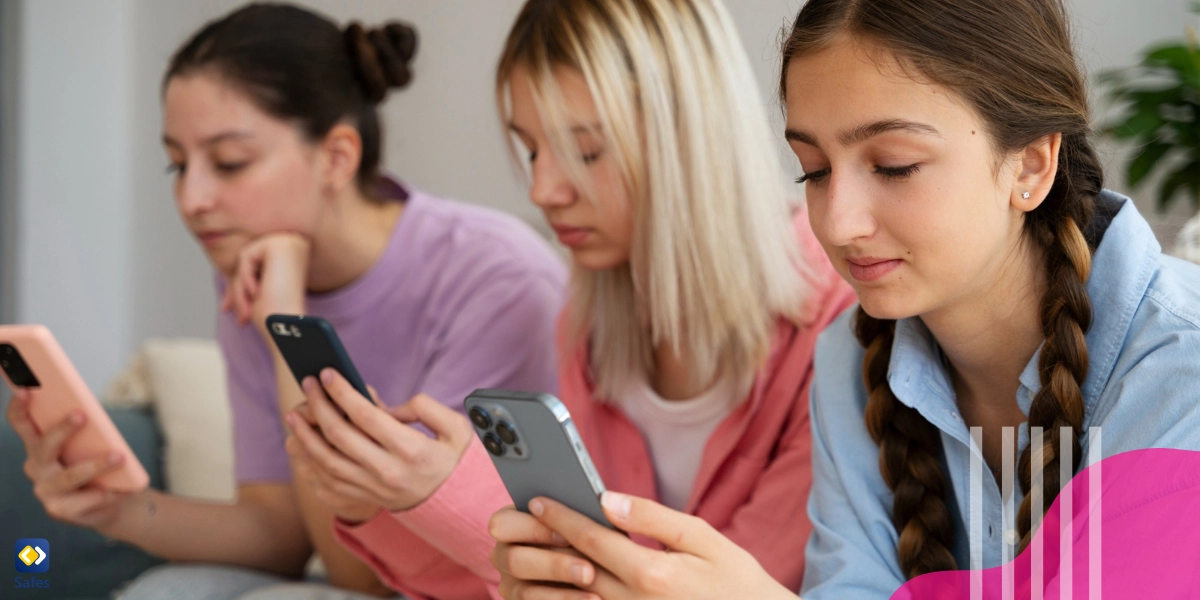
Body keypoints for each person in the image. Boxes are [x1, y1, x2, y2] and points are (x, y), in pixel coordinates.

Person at [486, 0, 1200, 598]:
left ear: (1031, 165)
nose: (836, 223)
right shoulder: (853, 354)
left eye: (893, 166)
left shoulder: (1179, 367)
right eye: (815, 172)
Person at [286, 0, 854, 598]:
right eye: (532, 149)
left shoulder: (837, 327)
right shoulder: (589, 328)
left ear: (691, 137)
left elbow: (705, 587)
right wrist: (391, 498)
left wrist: (450, 491)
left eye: (585, 151)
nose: (542, 190)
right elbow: (513, 587)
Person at [5, 3, 565, 599]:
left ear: (336, 158)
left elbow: (372, 573)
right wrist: (117, 510)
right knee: (168, 591)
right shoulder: (254, 270)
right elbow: (279, 528)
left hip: (456, 584)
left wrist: (284, 321)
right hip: (344, 567)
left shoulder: (498, 278)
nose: (191, 199)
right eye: (177, 164)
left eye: (229, 163)